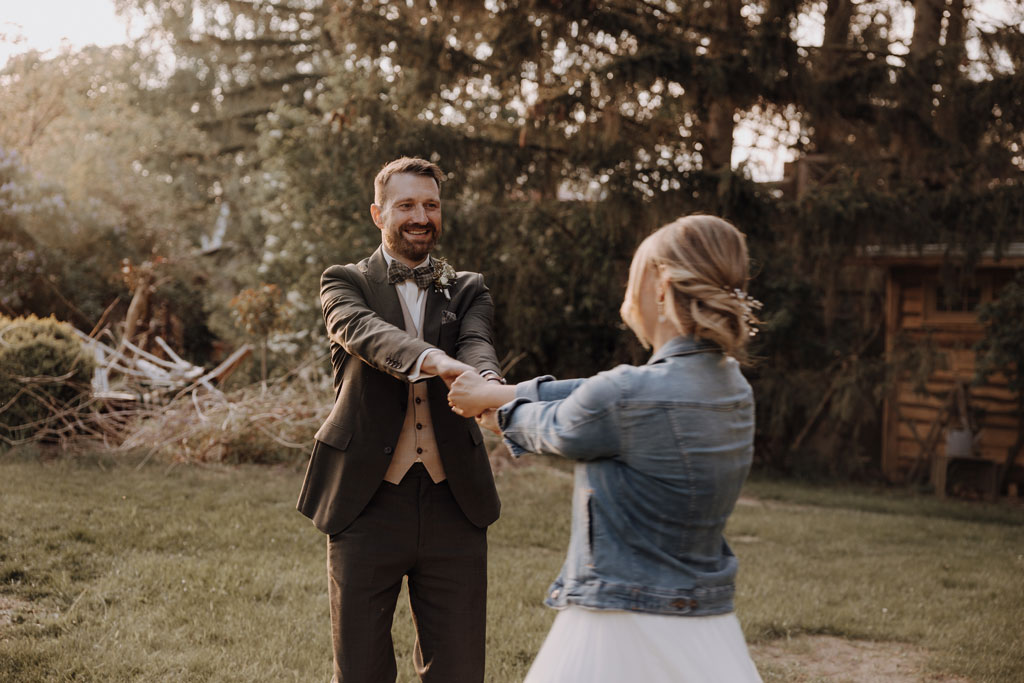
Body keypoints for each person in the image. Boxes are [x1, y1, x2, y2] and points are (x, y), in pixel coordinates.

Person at [448, 214, 764, 682]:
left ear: (660, 288)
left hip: (621, 620)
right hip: (706, 619)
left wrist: (493, 412)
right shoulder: (732, 386)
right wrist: (499, 391)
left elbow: (564, 421)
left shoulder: (627, 396)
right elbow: (594, 393)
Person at [297, 156, 504, 683]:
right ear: (378, 213)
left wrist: (492, 386)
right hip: (365, 500)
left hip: (453, 500)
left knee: (458, 669)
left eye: (431, 205)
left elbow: (478, 344)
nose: (421, 216)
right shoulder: (344, 281)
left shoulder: (467, 287)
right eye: (407, 204)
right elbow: (364, 332)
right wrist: (439, 362)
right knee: (362, 668)